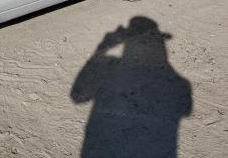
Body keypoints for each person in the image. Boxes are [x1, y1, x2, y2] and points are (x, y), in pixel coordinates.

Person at [71, 16, 192, 158]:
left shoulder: (110, 68)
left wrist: (102, 48)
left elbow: (78, 97)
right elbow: (186, 110)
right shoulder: (181, 84)